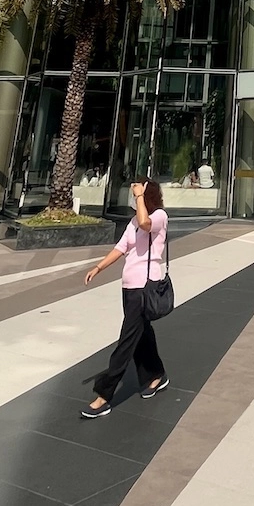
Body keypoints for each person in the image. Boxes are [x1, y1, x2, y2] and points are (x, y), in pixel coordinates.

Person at [80, 179, 169, 418]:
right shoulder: (132, 222)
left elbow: (145, 222)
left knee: (126, 341)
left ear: (147, 194)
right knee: (141, 334)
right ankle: (156, 374)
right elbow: (120, 248)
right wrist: (98, 268)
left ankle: (104, 395)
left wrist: (140, 197)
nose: (133, 197)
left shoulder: (159, 216)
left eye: (137, 192)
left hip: (145, 288)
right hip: (129, 288)